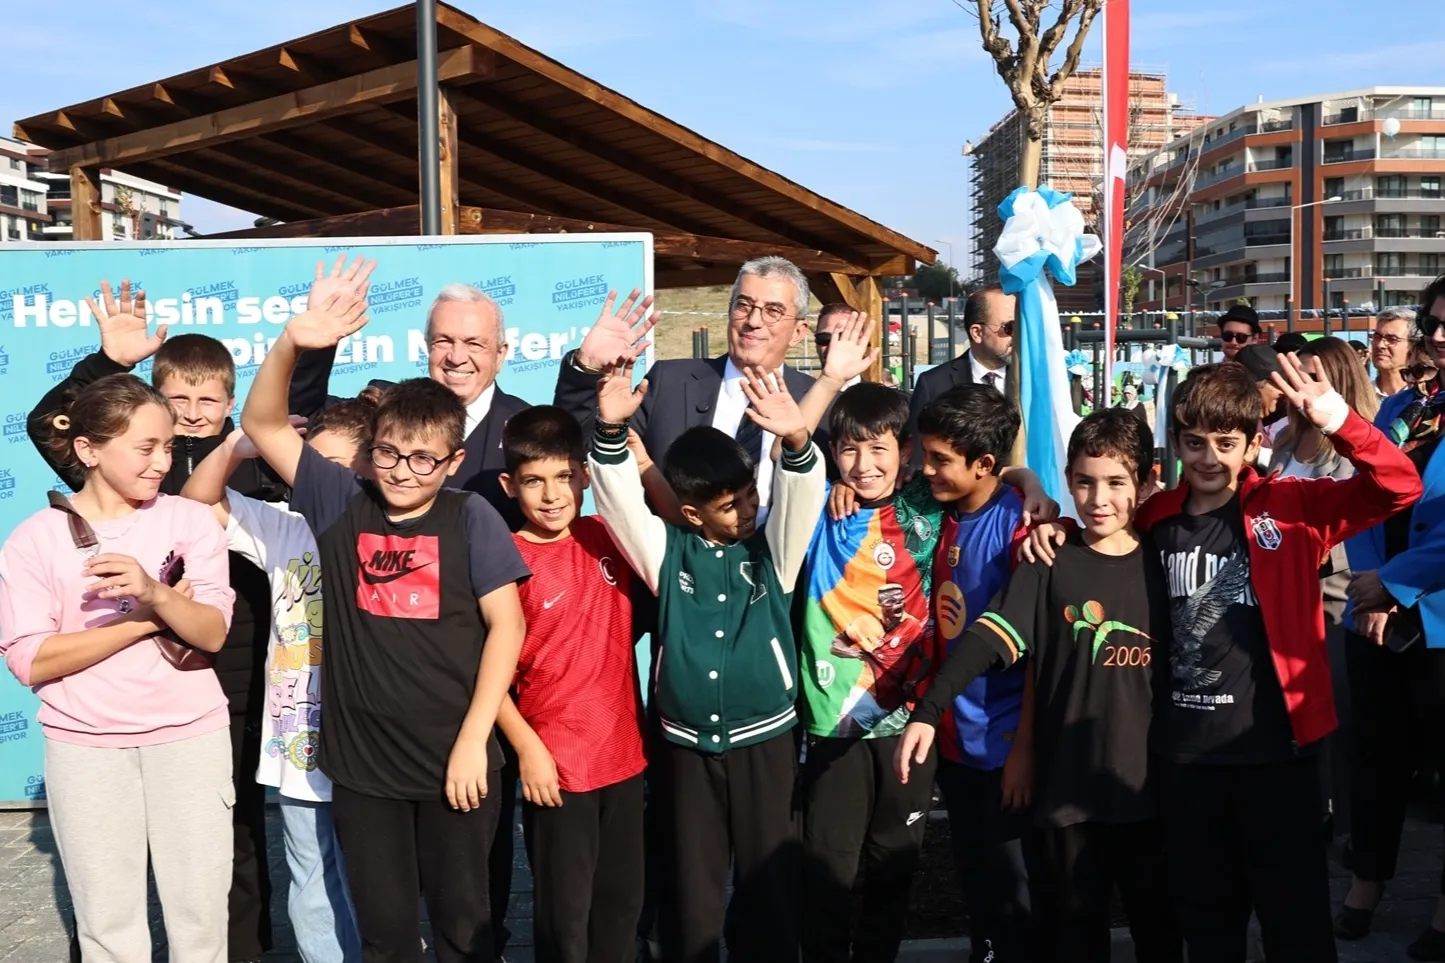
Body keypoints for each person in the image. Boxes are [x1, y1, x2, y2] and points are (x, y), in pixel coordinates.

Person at [25, 263, 356, 963]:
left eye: (210, 399)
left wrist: (311, 345)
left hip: (238, 664)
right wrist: (107, 362)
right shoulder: (127, 459)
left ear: (232, 400)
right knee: (107, 877)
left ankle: (241, 951)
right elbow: (54, 426)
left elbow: (293, 414)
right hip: (119, 687)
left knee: (230, 835)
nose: (195, 413)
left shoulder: (258, 455)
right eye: (179, 398)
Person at [241, 290, 531, 963]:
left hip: (455, 763)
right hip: (364, 772)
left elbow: (507, 628)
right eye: (390, 454)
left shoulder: (471, 518)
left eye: (424, 458)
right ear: (370, 453)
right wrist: (292, 341)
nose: (404, 471)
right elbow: (262, 422)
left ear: (453, 462)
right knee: (386, 934)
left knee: (465, 930)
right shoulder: (340, 502)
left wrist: (473, 741)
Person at [1132, 357, 1418, 962]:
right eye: (1194, 443)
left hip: (1277, 755)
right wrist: (1045, 513)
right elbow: (1094, 536)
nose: (1209, 458)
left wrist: (1338, 419)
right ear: (1176, 442)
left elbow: (1399, 487)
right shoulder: (1154, 518)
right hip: (1185, 757)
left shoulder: (1293, 505)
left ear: (1252, 443)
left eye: (1225, 443)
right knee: (1209, 929)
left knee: (1297, 927)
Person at [900, 410, 1183, 963]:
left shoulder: (1162, 563)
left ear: (1146, 481)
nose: (1099, 499)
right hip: (1066, 796)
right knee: (1075, 936)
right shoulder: (1048, 558)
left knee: (1159, 932)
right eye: (1084, 482)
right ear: (1067, 480)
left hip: (1148, 794)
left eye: (1116, 482)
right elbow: (986, 638)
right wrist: (930, 709)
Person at [797, 383, 1051, 963]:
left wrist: (1032, 486)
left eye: (880, 449)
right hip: (898, 727)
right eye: (849, 450)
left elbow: (997, 480)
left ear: (905, 451)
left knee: (970, 878)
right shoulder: (859, 505)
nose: (865, 464)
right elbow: (795, 465)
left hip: (951, 727)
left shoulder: (974, 513)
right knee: (845, 869)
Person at [588, 355, 826, 963]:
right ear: (693, 513)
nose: (746, 511)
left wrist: (796, 440)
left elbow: (800, 495)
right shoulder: (667, 553)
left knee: (769, 890)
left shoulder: (772, 553)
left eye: (749, 496)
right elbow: (619, 505)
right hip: (685, 750)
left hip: (764, 745)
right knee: (691, 895)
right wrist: (610, 431)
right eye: (730, 506)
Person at [1, 374, 236, 963]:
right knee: (107, 924)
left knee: (202, 917)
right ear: (88, 450)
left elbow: (212, 631)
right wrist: (144, 623)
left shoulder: (190, 521)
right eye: (145, 448)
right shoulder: (35, 538)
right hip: (85, 748)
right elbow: (29, 658)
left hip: (191, 739)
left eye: (167, 446)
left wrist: (155, 592)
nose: (163, 463)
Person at [180, 396, 382, 963]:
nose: (316, 480)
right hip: (300, 744)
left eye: (336, 468)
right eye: (308, 465)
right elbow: (194, 505)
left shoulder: (386, 529)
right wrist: (234, 446)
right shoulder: (282, 525)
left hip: (372, 738)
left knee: (376, 878)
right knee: (312, 878)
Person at [493, 405, 649, 963]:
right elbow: (488, 676)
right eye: (534, 481)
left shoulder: (610, 534)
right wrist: (529, 749)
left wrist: (641, 462)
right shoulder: (504, 559)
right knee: (566, 921)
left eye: (563, 476)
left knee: (621, 908)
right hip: (558, 769)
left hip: (626, 758)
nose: (552, 494)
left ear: (584, 475)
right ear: (510, 485)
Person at [1337, 276, 1445, 958]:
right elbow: (1362, 495)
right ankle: (1365, 882)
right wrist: (1371, 591)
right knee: (1374, 757)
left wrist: (1397, 587)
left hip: (1436, 617)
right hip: (1377, 610)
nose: (1438, 335)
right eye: (1433, 321)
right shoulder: (1404, 407)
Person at [913, 384, 1039, 962]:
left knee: (1015, 887)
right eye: (925, 454)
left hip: (1004, 743)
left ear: (984, 465)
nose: (926, 469)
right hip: (953, 740)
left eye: (940, 459)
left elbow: (1037, 654)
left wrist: (1023, 752)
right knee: (974, 875)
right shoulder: (932, 511)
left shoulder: (1022, 529)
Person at [555, 256, 832, 514]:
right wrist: (585, 367)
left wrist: (847, 488)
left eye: (773, 311)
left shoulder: (824, 402)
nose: (753, 321)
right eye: (743, 305)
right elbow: (579, 449)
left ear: (798, 333)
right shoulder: (669, 382)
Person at [907, 286, 1015, 435]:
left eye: (1021, 327)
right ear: (977, 333)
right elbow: (919, 444)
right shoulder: (933, 385)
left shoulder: (1034, 380)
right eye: (1010, 327)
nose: (1017, 335)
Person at [1370, 307, 1419, 399]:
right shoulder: (1360, 396)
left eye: (1392, 339)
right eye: (1377, 337)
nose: (1380, 345)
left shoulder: (1425, 397)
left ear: (1413, 345)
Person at [815, 302, 863, 390]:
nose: (832, 346)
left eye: (843, 337)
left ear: (861, 342)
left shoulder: (879, 398)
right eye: (824, 338)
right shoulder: (795, 395)